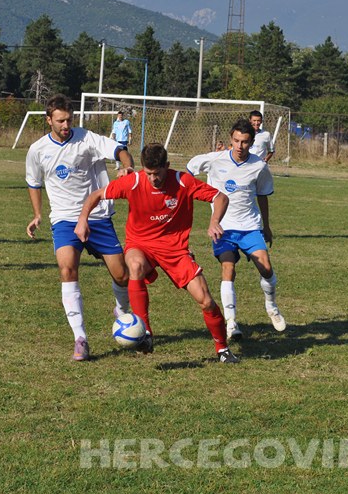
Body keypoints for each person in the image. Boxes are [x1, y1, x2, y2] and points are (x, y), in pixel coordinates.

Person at [75, 143, 240, 364]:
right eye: (148, 173)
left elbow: (221, 198)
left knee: (206, 301)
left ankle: (222, 349)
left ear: (167, 166)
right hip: (141, 245)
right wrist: (82, 220)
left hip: (176, 250)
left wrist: (214, 221)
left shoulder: (182, 181)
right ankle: (145, 333)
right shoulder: (134, 182)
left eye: (157, 173)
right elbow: (96, 195)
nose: (153, 178)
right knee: (134, 266)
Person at [26, 94, 134, 361]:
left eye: (69, 120)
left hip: (97, 217)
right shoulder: (37, 150)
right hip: (64, 219)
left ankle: (121, 310)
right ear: (48, 120)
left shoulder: (86, 139)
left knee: (122, 275)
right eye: (60, 120)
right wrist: (38, 214)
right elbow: (34, 183)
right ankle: (80, 338)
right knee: (67, 268)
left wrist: (128, 166)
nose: (66, 125)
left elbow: (119, 148)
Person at [187, 119, 286, 338]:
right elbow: (188, 171)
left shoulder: (259, 166)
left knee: (266, 268)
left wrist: (266, 226)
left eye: (245, 142)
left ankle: (272, 307)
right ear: (231, 138)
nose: (240, 146)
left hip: (250, 226)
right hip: (223, 228)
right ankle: (231, 322)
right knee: (228, 269)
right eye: (236, 141)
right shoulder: (215, 159)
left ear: (252, 142)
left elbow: (262, 196)